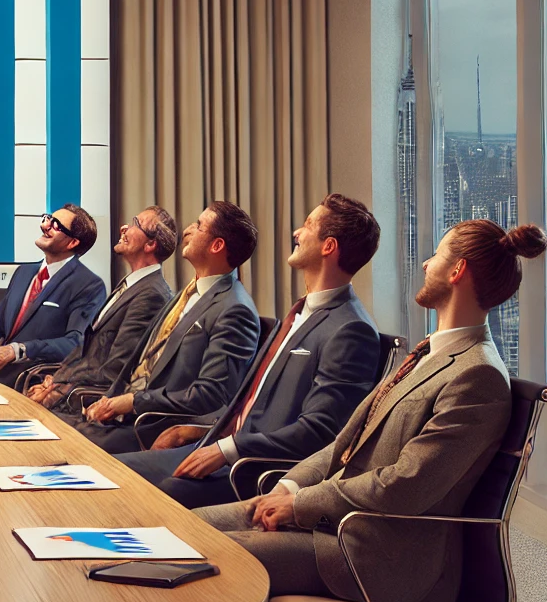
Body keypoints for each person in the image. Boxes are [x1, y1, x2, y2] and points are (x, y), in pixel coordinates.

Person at [47, 220, 544, 602]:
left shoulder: (476, 374)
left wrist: (300, 506)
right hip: (342, 523)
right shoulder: (427, 354)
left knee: (209, 565)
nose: (425, 264)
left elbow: (406, 487)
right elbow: (339, 447)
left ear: (457, 271)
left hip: (378, 552)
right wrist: (288, 485)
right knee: (172, 537)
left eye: (435, 256)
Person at [114, 194, 385, 508]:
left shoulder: (351, 330)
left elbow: (318, 432)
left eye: (309, 225)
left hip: (251, 470)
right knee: (112, 473)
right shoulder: (299, 314)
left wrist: (228, 449)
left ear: (329, 247)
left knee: (138, 495)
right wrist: (190, 429)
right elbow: (249, 402)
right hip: (217, 446)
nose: (297, 232)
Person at [69, 202, 262, 453]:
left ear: (217, 245)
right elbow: (142, 360)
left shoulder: (236, 309)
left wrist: (131, 402)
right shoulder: (187, 293)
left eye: (199, 226)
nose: (188, 230)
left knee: (63, 444)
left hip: (153, 425)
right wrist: (109, 400)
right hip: (120, 415)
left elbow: (209, 395)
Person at [26, 207, 178, 408]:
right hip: (73, 389)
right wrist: (55, 379)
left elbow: (116, 368)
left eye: (135, 223)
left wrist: (60, 389)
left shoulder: (152, 295)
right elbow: (88, 349)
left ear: (150, 244)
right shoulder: (130, 285)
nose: (124, 227)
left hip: (88, 403)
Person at [0, 206, 106, 386]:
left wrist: (20, 350)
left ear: (72, 243)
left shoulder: (88, 284)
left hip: (32, 379)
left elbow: (75, 344)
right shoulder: (23, 272)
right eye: (47, 218)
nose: (45, 225)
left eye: (56, 225)